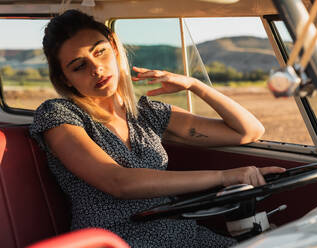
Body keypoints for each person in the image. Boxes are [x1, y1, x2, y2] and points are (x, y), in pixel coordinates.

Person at [29, 9, 285, 248]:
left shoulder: (148, 113)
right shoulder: (58, 114)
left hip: (185, 236)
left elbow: (248, 131)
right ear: (65, 79)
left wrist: (195, 85)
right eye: (79, 66)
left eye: (100, 52)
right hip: (116, 240)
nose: (96, 68)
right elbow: (117, 182)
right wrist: (224, 176)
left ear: (116, 49)